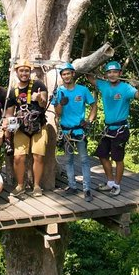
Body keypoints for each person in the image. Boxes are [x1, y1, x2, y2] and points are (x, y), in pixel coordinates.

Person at [86, 60, 139, 196]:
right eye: (109, 72)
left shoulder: (126, 88)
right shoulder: (103, 85)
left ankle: (117, 185)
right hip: (108, 129)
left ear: (120, 73)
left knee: (118, 158)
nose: (112, 75)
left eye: (115, 72)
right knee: (102, 155)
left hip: (120, 129)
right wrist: (91, 64)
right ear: (106, 74)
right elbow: (89, 78)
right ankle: (110, 182)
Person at [52, 62, 97, 202]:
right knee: (68, 160)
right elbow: (57, 113)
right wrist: (61, 103)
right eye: (63, 74)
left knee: (84, 159)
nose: (66, 76)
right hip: (66, 130)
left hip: (79, 129)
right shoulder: (59, 91)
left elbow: (93, 105)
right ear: (62, 76)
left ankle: (87, 189)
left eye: (68, 73)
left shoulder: (82, 90)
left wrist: (89, 120)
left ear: (73, 74)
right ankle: (72, 186)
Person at [4, 59, 48, 197]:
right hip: (21, 126)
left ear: (30, 72)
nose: (24, 73)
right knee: (18, 157)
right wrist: (7, 131)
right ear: (16, 72)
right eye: (21, 71)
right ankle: (20, 185)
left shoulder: (38, 85)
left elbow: (43, 105)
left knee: (38, 156)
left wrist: (39, 98)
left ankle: (36, 186)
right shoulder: (12, 92)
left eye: (26, 71)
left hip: (38, 124)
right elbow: (9, 114)